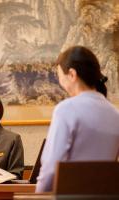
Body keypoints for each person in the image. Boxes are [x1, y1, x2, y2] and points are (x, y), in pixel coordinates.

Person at [36, 46, 119, 192]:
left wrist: (39, 195)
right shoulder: (115, 113)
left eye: (60, 76)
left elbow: (51, 167)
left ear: (72, 74)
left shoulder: (66, 110)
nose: (60, 82)